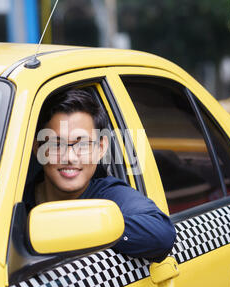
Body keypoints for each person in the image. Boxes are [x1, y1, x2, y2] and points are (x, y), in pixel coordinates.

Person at [23, 87, 176, 263]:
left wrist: (82, 224)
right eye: (57, 145)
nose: (70, 157)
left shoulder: (110, 196)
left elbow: (161, 235)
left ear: (101, 148)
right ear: (38, 148)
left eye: (83, 144)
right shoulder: (12, 201)